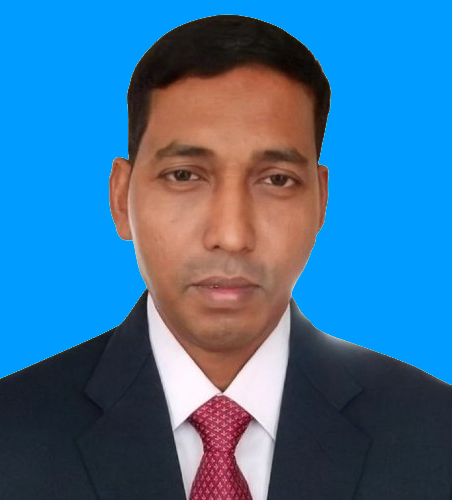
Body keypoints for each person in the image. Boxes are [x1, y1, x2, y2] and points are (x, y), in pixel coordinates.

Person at [0, 14, 451, 500]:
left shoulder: (435, 433)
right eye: (184, 176)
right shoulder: (11, 433)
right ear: (120, 198)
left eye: (276, 179)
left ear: (321, 202)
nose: (232, 236)